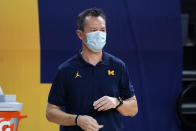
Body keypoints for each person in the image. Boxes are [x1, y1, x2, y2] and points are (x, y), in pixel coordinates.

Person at [46, 8, 138, 131]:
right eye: (94, 30)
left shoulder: (117, 65)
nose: (99, 34)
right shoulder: (66, 70)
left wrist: (117, 102)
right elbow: (51, 112)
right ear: (80, 34)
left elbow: (133, 109)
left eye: (102, 30)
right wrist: (77, 120)